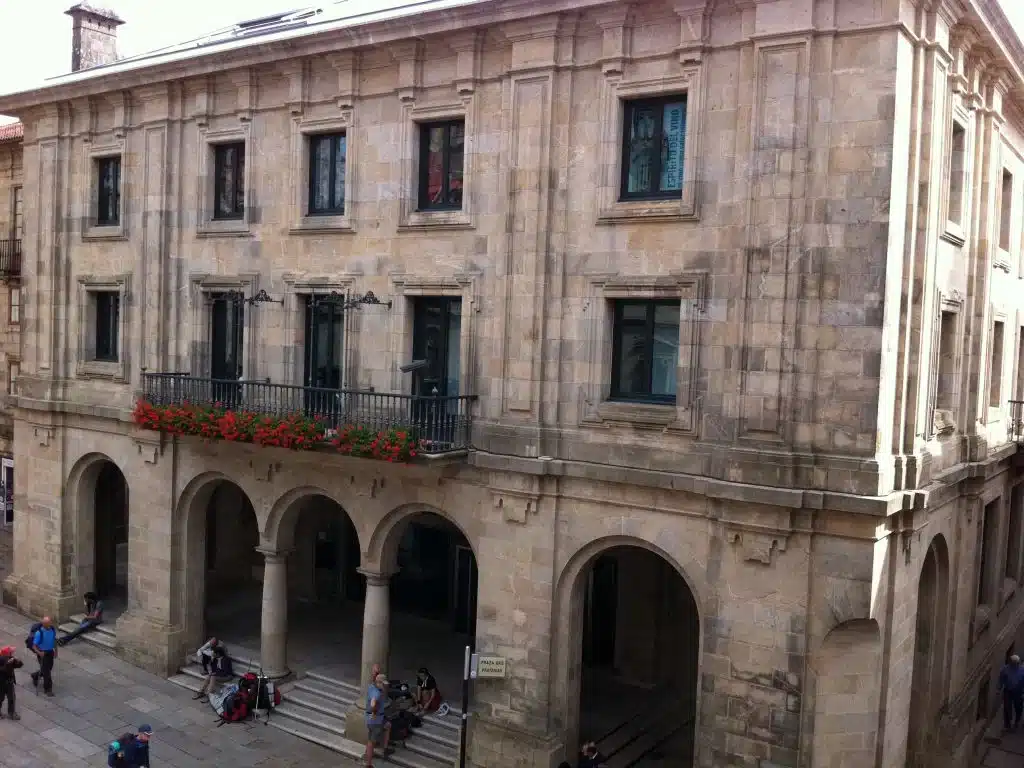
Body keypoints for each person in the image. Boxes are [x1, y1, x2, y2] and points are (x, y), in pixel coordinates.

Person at [364, 670, 392, 767]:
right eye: (383, 684)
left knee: (388, 725)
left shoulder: (372, 686)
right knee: (371, 741)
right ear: (378, 683)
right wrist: (374, 712)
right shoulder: (377, 693)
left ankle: (385, 749)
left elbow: (374, 680)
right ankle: (368, 764)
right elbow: (373, 703)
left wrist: (375, 672)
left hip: (375, 718)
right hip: (375, 720)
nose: (385, 686)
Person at [30, 616, 58, 696]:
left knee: (49, 668)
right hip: (43, 653)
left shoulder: (52, 629)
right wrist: (39, 653)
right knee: (47, 672)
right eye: (48, 624)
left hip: (50, 652)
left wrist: (56, 651)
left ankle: (35, 676)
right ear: (44, 625)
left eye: (50, 623)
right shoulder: (39, 633)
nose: (49, 625)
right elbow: (34, 646)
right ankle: (48, 689)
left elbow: (54, 640)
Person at [1000, 654, 1024, 731]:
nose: (1016, 664)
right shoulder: (1005, 669)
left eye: (1017, 662)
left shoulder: (1022, 670)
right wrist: (999, 688)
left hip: (1019, 692)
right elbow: (1001, 679)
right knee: (1007, 707)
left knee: (1018, 707)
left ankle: (1017, 721)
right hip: (1008, 691)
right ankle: (1007, 724)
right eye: (1014, 662)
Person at [0, 645, 23, 720]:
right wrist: (7, 664)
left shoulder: (10, 659)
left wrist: (18, 661)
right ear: (7, 654)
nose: (12, 653)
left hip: (9, 682)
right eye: (10, 652)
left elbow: (19, 665)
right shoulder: (2, 660)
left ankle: (12, 713)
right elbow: (3, 670)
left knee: (12, 698)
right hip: (1, 684)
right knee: (0, 698)